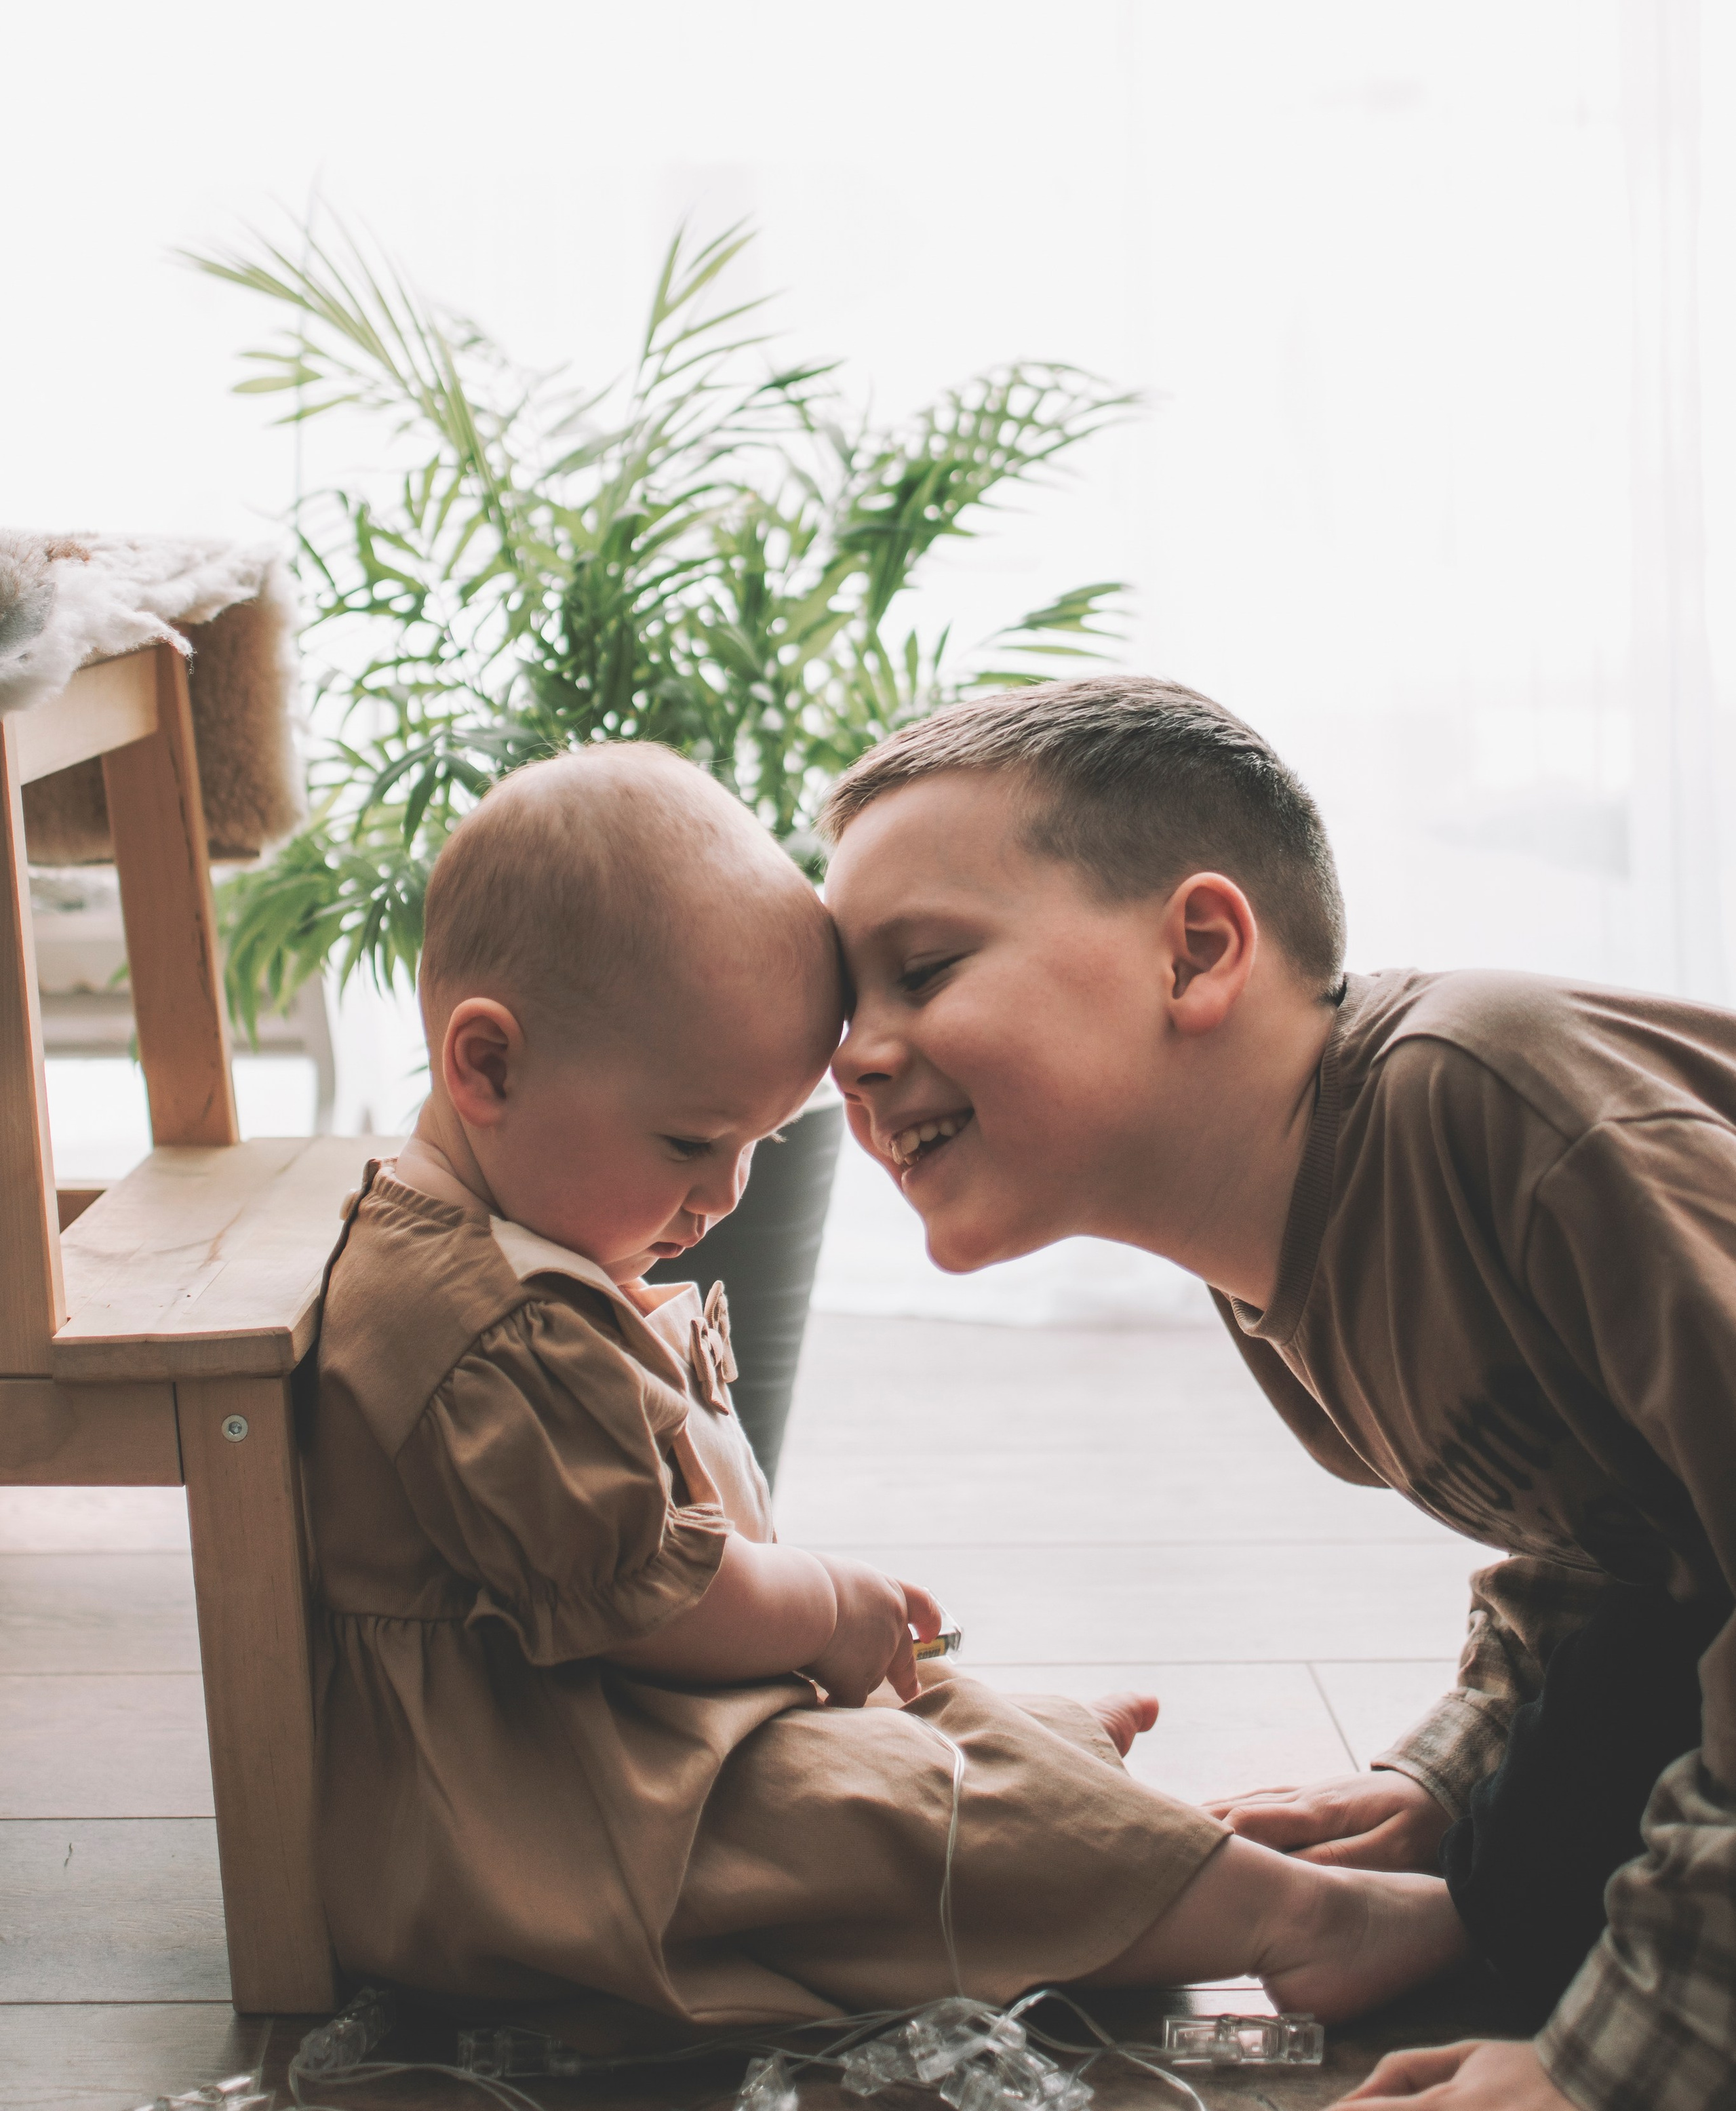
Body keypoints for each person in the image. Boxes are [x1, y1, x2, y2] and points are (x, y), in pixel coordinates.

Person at [302, 741, 1457, 2029]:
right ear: (489, 1069)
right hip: (542, 1846)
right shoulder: (480, 1319)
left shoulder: (505, 1244)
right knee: (907, 1816)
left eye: (754, 1145)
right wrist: (821, 1608)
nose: (724, 1196)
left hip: (622, 1763)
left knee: (921, 1749)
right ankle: (1296, 1921)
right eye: (691, 1142)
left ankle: (1093, 1821)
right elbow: (651, 1604)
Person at [821, 677, 1736, 2111]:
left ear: (1195, 950)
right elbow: (1617, 1530)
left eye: (920, 971)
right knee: (1596, 1740)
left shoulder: (1483, 1101)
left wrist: (1611, 2078)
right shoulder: (1275, 1272)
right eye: (846, 1005)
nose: (856, 1053)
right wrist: (1454, 1787)